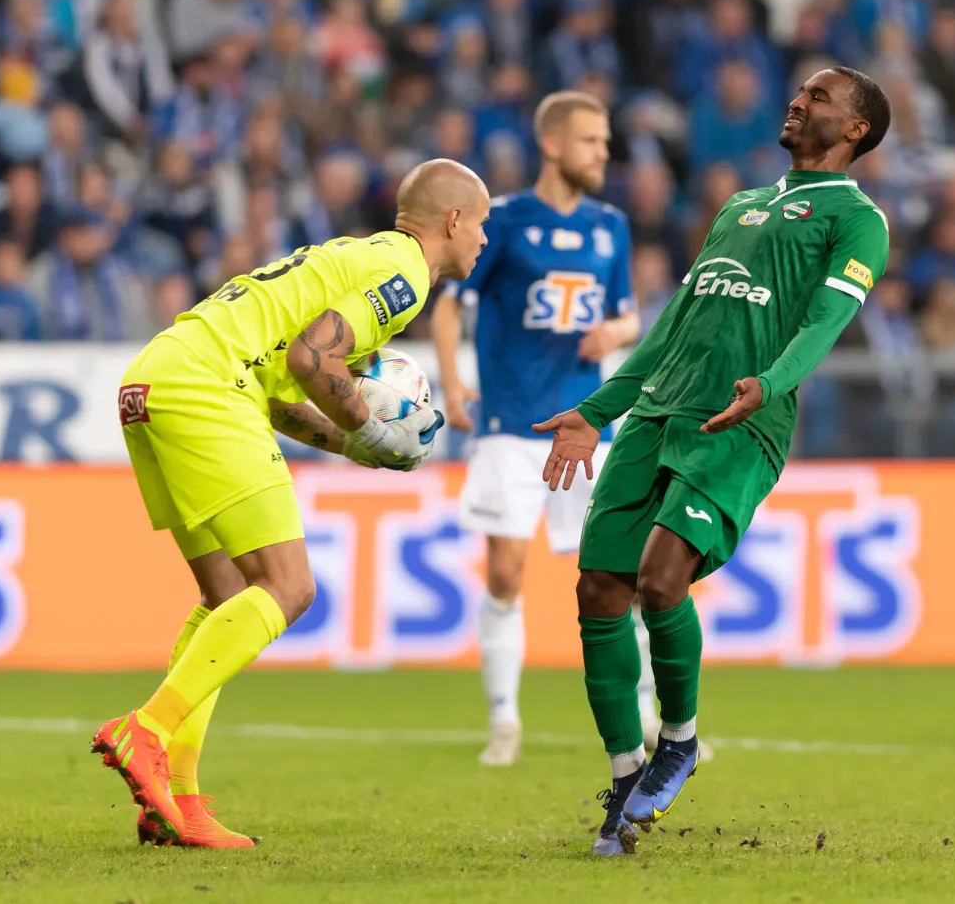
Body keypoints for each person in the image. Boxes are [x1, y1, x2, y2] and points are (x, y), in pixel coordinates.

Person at [534, 67, 892, 855]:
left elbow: (827, 322)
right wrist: (597, 412)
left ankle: (681, 739)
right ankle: (628, 773)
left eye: (820, 98)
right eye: (797, 91)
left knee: (662, 578)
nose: (798, 100)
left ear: (857, 129)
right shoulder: (739, 205)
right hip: (659, 411)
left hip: (740, 420)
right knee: (598, 584)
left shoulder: (858, 220)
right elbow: (674, 322)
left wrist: (768, 385)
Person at [91, 159, 486, 848]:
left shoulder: (350, 256)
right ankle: (146, 729)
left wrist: (350, 442)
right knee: (288, 585)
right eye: (482, 224)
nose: (484, 239)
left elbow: (280, 389)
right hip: (208, 386)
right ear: (452, 220)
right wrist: (369, 425)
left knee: (224, 597)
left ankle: (176, 798)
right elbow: (313, 359)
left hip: (156, 377)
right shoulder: (406, 275)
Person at [433, 91, 642, 766]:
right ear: (552, 144)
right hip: (506, 424)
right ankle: (504, 719)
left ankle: (646, 716)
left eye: (605, 142)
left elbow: (630, 316)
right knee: (505, 570)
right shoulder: (508, 221)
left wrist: (614, 330)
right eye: (590, 141)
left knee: (616, 577)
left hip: (584, 427)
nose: (602, 154)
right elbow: (450, 304)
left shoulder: (611, 226)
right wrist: (453, 377)